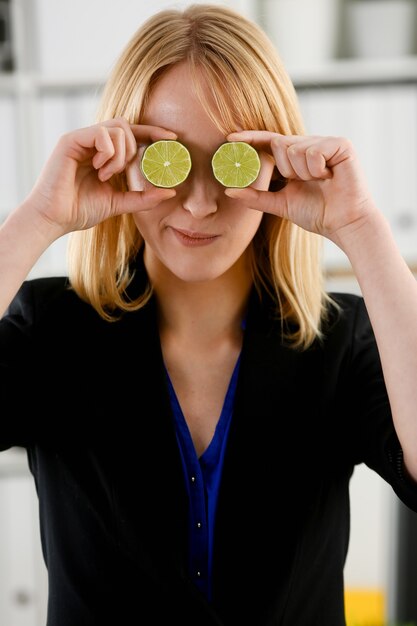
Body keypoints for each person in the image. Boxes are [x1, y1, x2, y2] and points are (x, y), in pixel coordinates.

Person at [1, 3, 417, 625]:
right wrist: (39, 218)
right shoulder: (52, 327)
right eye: (167, 159)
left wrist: (362, 227)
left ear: (276, 161)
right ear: (121, 158)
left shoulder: (343, 339)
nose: (198, 204)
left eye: (231, 161)